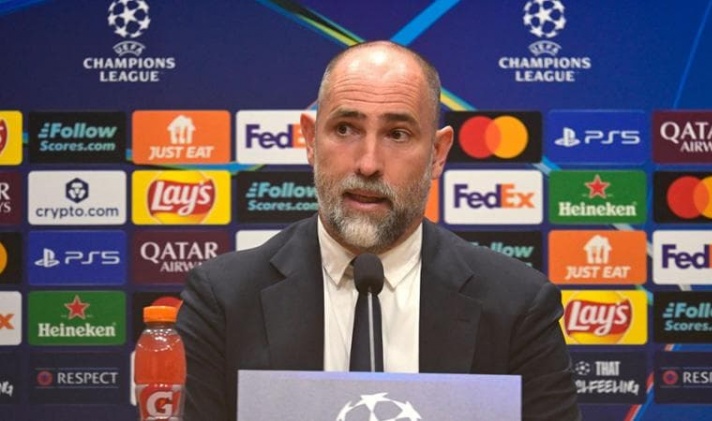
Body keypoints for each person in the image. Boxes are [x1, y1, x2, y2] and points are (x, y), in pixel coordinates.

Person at [176, 40, 580, 420]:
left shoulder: (517, 305)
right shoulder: (223, 299)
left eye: (397, 134)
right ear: (310, 140)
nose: (368, 163)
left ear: (437, 154)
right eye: (345, 129)